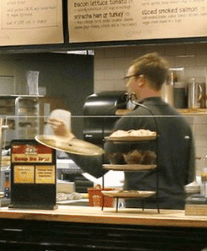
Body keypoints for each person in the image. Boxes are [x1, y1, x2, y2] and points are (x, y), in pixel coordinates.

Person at [49, 52, 195, 209]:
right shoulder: (182, 122)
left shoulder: (132, 120)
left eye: (128, 79)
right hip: (178, 211)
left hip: (142, 211)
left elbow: (97, 167)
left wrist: (67, 139)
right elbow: (188, 177)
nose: (126, 85)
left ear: (141, 81)